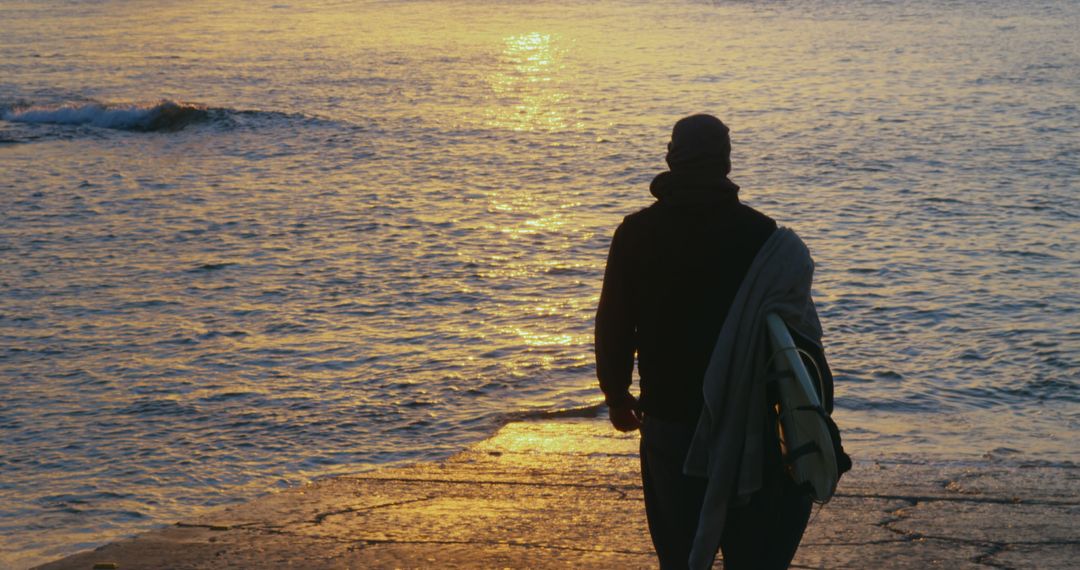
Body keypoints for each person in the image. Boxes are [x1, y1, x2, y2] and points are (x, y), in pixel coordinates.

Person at [595, 114, 832, 569]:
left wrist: (616, 392)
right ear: (726, 163)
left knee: (679, 555)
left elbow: (614, 324)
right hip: (751, 426)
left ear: (671, 158)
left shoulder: (636, 234)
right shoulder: (763, 238)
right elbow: (800, 339)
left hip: (668, 420)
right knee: (751, 554)